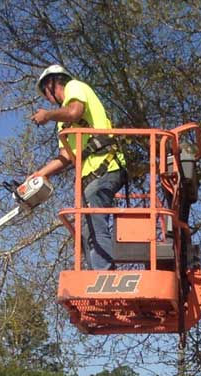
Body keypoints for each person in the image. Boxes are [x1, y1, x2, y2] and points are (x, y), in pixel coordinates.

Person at [28, 64, 127, 270]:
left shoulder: (74, 86)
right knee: (85, 229)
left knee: (94, 217)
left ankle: (104, 276)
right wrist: (39, 174)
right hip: (89, 176)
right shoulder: (62, 124)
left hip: (106, 166)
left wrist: (47, 114)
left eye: (46, 92)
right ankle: (95, 277)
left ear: (53, 83)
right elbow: (66, 156)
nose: (47, 98)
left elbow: (75, 111)